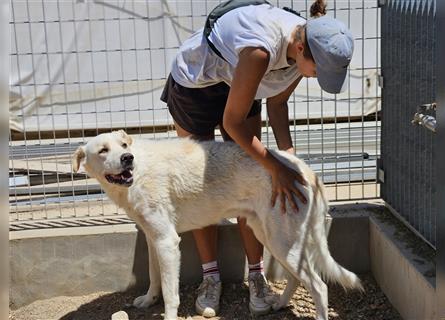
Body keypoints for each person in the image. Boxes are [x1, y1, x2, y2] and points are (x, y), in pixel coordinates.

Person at [160, 0, 353, 317]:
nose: (316, 77)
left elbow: (277, 106)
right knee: (202, 185)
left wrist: (287, 158)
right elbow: (233, 123)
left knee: (251, 181)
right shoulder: (261, 49)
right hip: (196, 85)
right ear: (301, 47)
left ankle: (256, 275)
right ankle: (211, 277)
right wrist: (274, 166)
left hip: (242, 81)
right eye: (318, 70)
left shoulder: (302, 47)